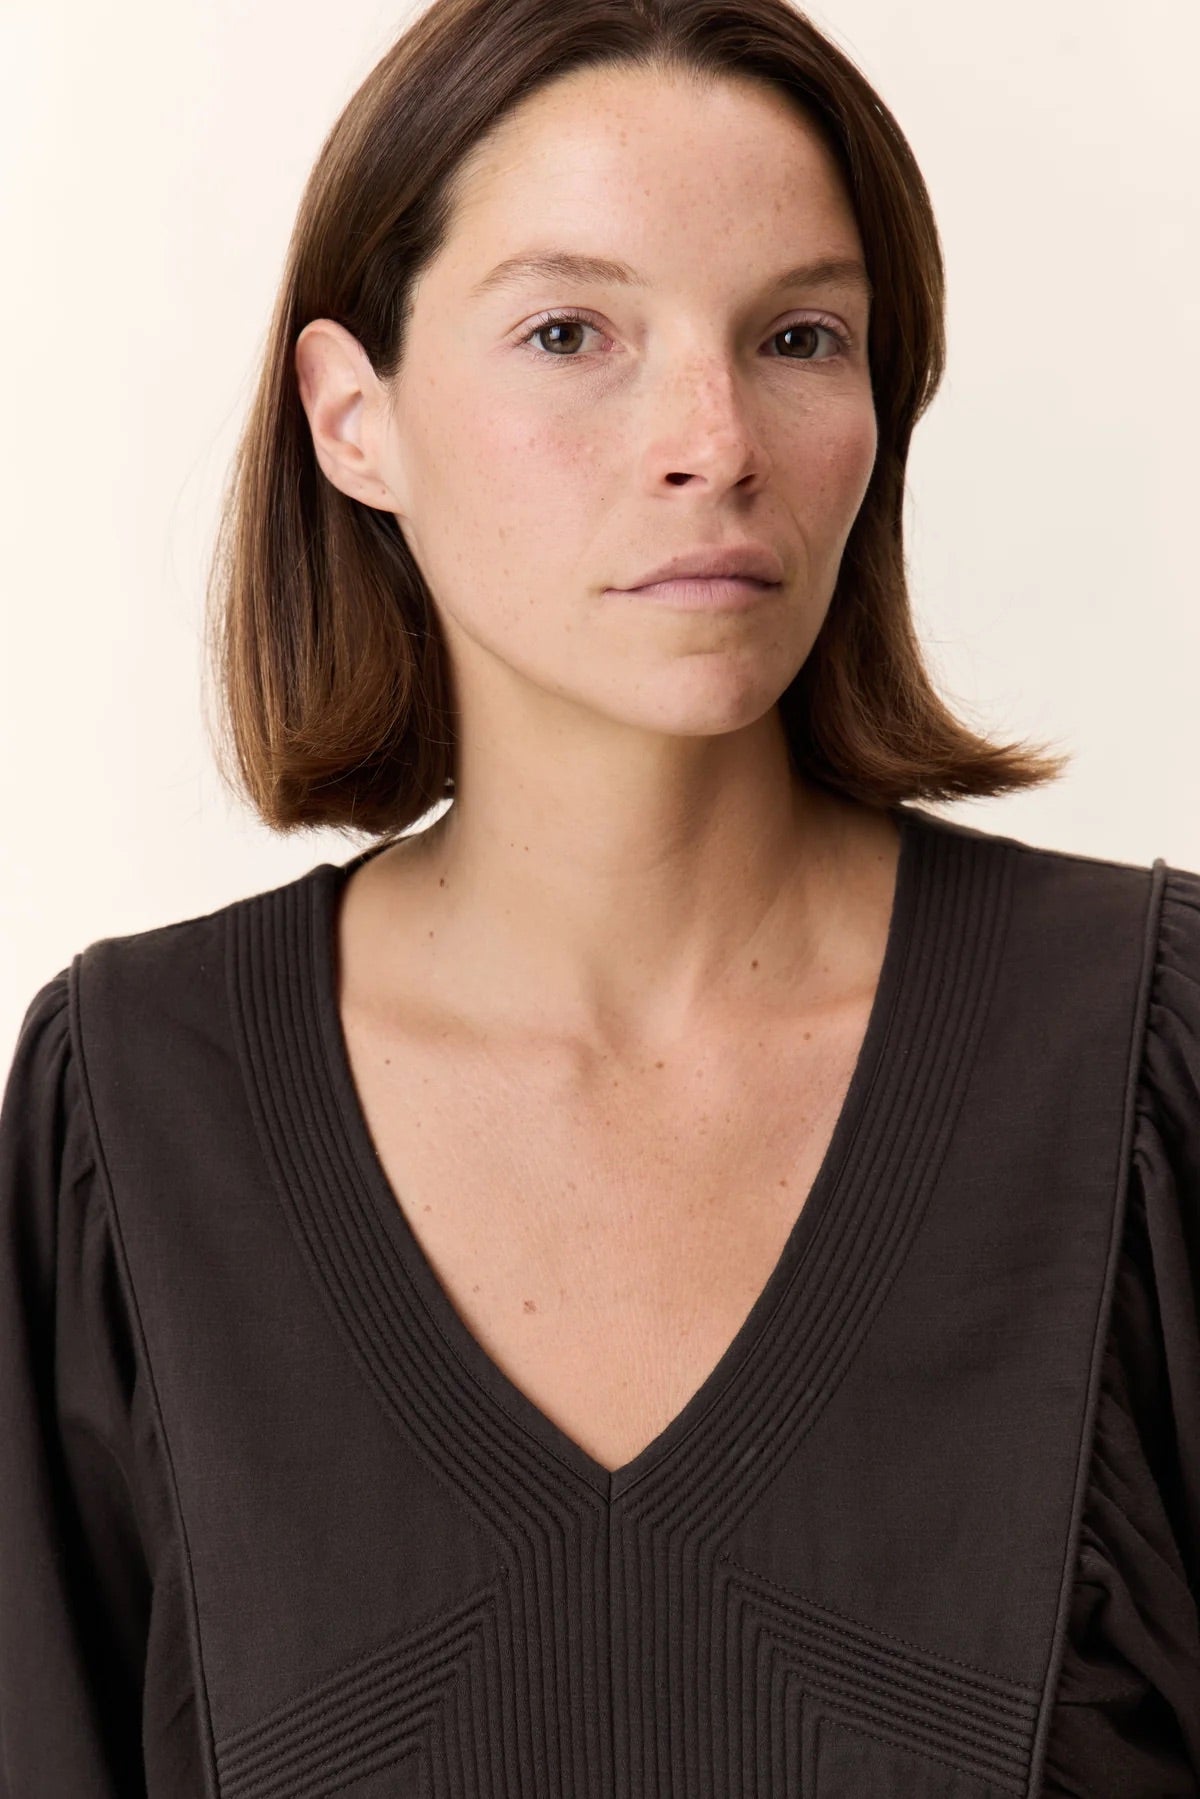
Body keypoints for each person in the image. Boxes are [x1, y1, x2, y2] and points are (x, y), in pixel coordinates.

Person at [2, 1, 1197, 1793]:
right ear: (353, 418)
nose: (714, 441)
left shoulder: (1145, 1070)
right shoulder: (139, 1111)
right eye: (570, 333)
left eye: (800, 337)